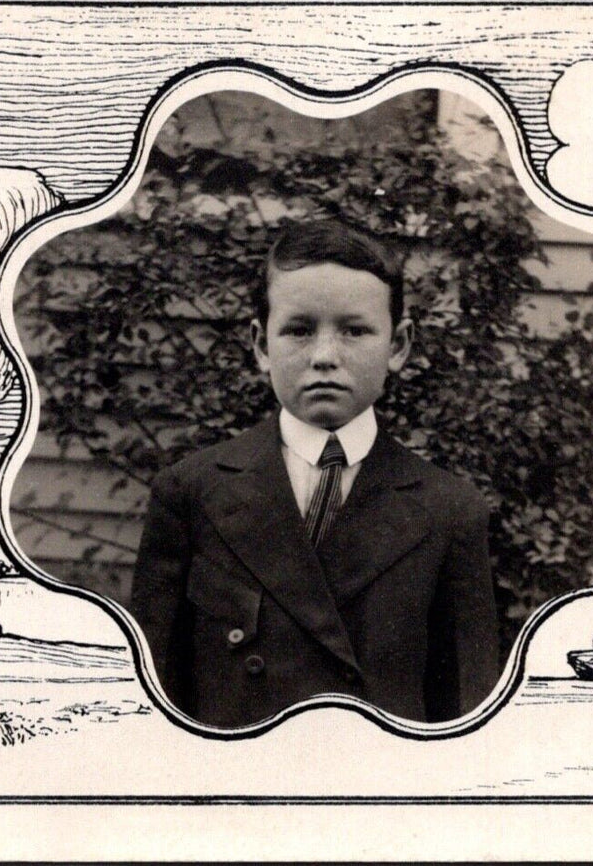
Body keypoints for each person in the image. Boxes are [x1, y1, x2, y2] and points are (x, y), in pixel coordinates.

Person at [130, 219, 500, 728]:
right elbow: (153, 698)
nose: (325, 357)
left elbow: (465, 714)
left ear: (398, 345)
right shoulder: (193, 491)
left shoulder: (449, 510)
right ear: (261, 344)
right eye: (299, 330)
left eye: (355, 330)